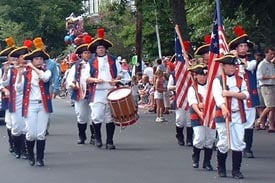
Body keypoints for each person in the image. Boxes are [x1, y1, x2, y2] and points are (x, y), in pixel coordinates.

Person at [212, 54, 249, 179]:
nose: (232, 68)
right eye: (230, 65)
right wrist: (223, 107)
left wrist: (230, 93)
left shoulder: (240, 79)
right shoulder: (218, 80)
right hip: (224, 114)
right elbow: (217, 96)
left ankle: (236, 170)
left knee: (238, 142)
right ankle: (221, 168)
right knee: (223, 142)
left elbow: (245, 94)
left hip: (238, 114)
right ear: (223, 66)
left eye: (234, 65)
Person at [86, 28, 122, 149]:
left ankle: (110, 141)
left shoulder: (113, 60)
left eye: (102, 47)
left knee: (110, 117)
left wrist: (115, 79)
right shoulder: (90, 62)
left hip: (111, 91)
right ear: (96, 50)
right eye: (98, 48)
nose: (101, 49)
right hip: (97, 93)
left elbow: (121, 74)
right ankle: (98, 138)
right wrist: (95, 80)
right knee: (96, 116)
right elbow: (86, 78)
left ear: (105, 49)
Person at [16, 45, 53, 167]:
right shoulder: (26, 73)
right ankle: (31, 155)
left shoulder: (46, 71)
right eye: (36, 59)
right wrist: (20, 75)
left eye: (40, 59)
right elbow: (18, 89)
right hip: (30, 105)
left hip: (43, 105)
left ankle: (40, 158)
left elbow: (46, 78)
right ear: (32, 60)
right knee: (31, 133)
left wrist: (33, 67)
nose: (39, 61)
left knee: (40, 134)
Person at [228, 26, 259, 158]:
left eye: (245, 46)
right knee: (234, 121)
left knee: (249, 123)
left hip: (249, 95)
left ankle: (248, 147)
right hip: (234, 95)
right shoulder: (229, 60)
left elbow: (249, 66)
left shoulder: (251, 59)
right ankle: (235, 144)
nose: (244, 48)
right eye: (241, 46)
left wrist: (238, 59)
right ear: (236, 48)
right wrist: (230, 57)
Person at [2, 40, 32, 159]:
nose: (23, 59)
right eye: (21, 57)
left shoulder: (31, 69)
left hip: (29, 101)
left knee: (26, 127)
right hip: (15, 101)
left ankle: (24, 150)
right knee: (16, 127)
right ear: (18, 59)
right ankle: (16, 147)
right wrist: (5, 71)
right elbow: (4, 82)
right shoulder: (12, 70)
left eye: (25, 56)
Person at [187, 63, 216, 171]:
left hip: (211, 115)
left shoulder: (212, 86)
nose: (203, 77)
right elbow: (193, 103)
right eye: (201, 75)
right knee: (199, 138)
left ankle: (207, 162)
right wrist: (200, 112)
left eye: (205, 75)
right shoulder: (193, 88)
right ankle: (196, 158)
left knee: (211, 138)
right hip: (197, 115)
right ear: (196, 76)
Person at [66, 35, 95, 145]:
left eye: (88, 53)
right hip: (80, 93)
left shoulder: (95, 65)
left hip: (93, 93)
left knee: (94, 115)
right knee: (81, 115)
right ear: (81, 55)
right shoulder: (76, 66)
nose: (87, 55)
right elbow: (70, 79)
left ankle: (94, 136)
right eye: (85, 53)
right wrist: (73, 85)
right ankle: (82, 135)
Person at [0, 37, 16, 154]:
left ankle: (24, 147)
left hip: (22, 98)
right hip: (9, 98)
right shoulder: (3, 69)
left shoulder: (24, 68)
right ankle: (12, 143)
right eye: (11, 56)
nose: (13, 59)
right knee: (10, 122)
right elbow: (1, 83)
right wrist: (4, 89)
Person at [256, 47, 275, 132]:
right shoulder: (262, 64)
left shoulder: (271, 64)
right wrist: (271, 77)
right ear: (266, 54)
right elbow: (259, 77)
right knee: (269, 106)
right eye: (270, 54)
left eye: (273, 54)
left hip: (272, 86)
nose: (272, 56)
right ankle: (259, 120)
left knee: (273, 107)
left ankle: (271, 125)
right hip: (265, 86)